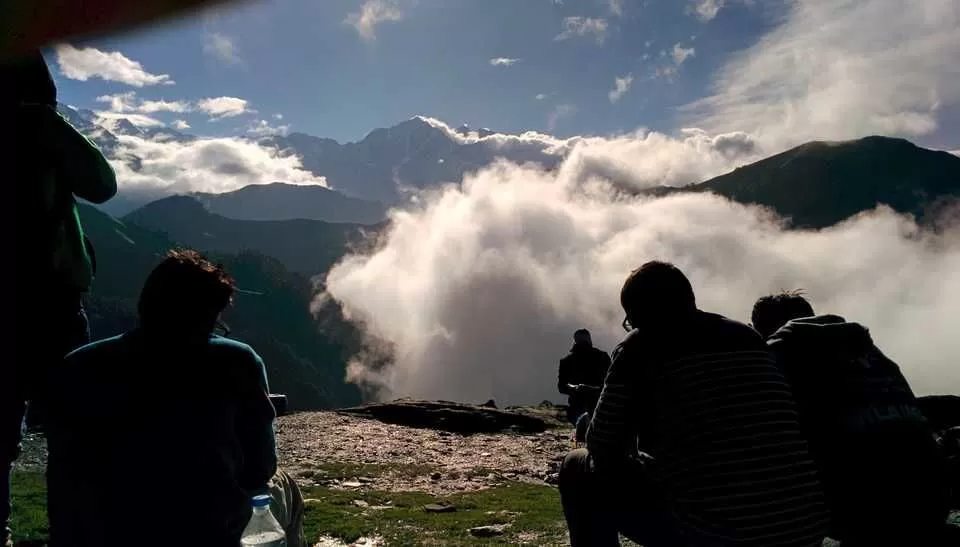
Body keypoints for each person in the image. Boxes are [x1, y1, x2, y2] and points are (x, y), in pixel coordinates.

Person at [43, 249, 305, 547]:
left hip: (101, 534)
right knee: (286, 487)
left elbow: (63, 474)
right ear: (210, 315)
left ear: (145, 304)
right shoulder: (236, 361)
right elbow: (261, 465)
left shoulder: (78, 366)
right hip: (210, 534)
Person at [558, 261, 828, 547]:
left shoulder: (638, 348)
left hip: (716, 535)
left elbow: (601, 447)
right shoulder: (748, 338)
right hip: (803, 528)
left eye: (631, 319)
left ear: (638, 312)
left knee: (576, 466)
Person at [2, 50, 117, 546]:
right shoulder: (39, 135)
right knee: (76, 430)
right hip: (50, 305)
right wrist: (47, 123)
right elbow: (102, 185)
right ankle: (76, 534)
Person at [752, 291, 950, 546]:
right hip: (935, 500)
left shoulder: (781, 355)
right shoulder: (872, 353)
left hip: (866, 516)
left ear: (763, 331)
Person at [557, 329, 611, 425]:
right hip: (592, 406)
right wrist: (578, 388)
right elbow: (562, 387)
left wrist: (577, 388)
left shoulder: (567, 361)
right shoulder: (602, 357)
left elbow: (562, 387)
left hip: (591, 406)